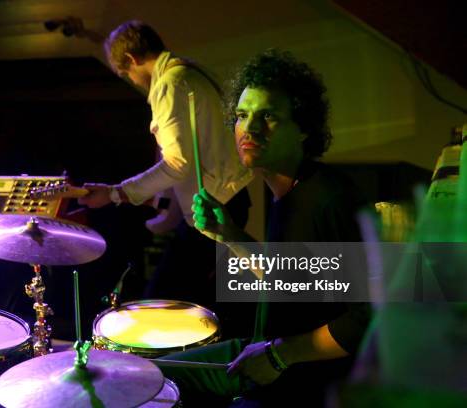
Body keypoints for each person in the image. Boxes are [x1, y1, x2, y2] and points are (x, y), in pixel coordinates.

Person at [161, 49, 371, 406]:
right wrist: (229, 234)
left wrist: (278, 356)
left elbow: (364, 319)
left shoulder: (330, 200)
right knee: (144, 372)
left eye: (268, 116)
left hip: (303, 382)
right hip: (268, 350)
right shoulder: (286, 190)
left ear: (304, 129)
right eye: (243, 115)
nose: (250, 128)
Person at [77, 20, 252, 310]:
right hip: (229, 200)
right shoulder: (192, 72)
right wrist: (166, 211)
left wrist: (114, 193)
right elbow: (190, 155)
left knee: (162, 303)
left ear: (132, 59)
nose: (131, 81)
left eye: (125, 74)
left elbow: (177, 163)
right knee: (192, 301)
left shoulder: (168, 84)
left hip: (216, 208)